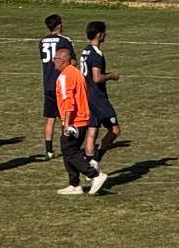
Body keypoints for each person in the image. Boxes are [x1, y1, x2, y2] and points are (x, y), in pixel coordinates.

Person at [51, 44, 108, 196]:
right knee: (68, 149)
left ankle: (94, 175)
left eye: (55, 59)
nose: (53, 61)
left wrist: (67, 123)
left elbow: (69, 102)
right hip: (83, 119)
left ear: (62, 60)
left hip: (74, 122)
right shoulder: (76, 73)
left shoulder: (64, 77)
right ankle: (74, 184)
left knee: (70, 151)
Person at [79, 21, 120, 169]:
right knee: (115, 130)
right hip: (98, 97)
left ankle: (88, 163)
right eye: (104, 32)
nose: (105, 35)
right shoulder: (96, 53)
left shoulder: (85, 51)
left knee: (92, 129)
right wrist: (111, 76)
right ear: (99, 34)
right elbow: (97, 78)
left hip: (86, 95)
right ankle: (95, 160)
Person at [38, 13, 74, 162]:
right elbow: (72, 62)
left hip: (47, 82)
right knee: (65, 117)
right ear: (59, 25)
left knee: (50, 118)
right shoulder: (65, 41)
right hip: (61, 83)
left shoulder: (42, 41)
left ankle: (49, 150)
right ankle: (68, 147)